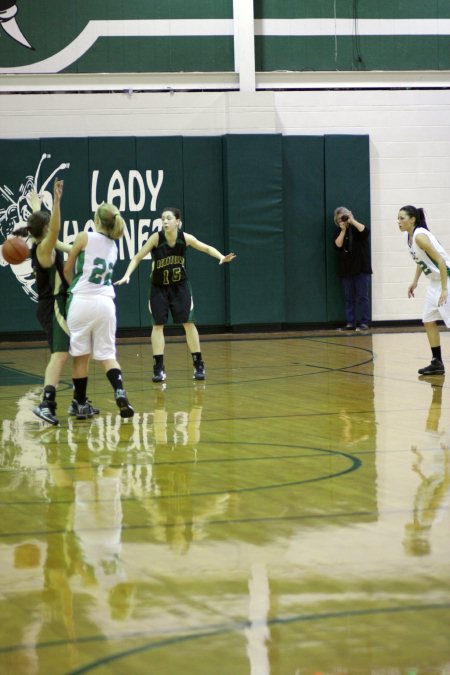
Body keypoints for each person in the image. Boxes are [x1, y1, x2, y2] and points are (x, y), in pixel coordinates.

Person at [115, 206, 236, 382]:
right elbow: (137, 257)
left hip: (180, 287)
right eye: (162, 218)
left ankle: (198, 364)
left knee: (188, 323)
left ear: (178, 221)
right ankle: (158, 367)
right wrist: (127, 275)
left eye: (169, 218)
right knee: (157, 326)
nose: (165, 221)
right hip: (159, 287)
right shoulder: (156, 238)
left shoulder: (185, 238)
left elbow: (206, 248)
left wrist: (220, 256)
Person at [14, 180, 98, 426]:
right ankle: (46, 404)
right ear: (46, 229)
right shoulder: (43, 248)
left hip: (64, 304)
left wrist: (37, 206)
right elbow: (55, 232)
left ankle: (79, 401)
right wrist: (57, 201)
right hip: (53, 306)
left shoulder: (45, 242)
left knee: (80, 351)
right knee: (60, 354)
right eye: (49, 223)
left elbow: (66, 245)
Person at [63, 203, 134, 419]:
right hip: (105, 303)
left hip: (82, 300)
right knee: (107, 354)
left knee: (81, 358)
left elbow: (68, 269)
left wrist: (72, 287)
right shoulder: (114, 247)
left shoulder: (85, 236)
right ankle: (120, 392)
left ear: (97, 219)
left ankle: (81, 403)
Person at [398, 204, 450, 375]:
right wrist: (415, 281)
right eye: (398, 218)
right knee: (428, 319)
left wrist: (444, 289)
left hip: (446, 279)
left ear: (412, 219)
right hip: (435, 281)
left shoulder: (420, 236)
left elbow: (441, 262)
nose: (398, 222)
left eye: (402, 218)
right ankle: (437, 362)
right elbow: (422, 260)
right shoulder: (409, 236)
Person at [334, 206, 372, 331]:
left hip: (361, 268)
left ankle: (364, 322)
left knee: (362, 296)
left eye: (344, 217)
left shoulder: (357, 228)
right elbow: (338, 245)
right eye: (339, 218)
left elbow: (366, 232)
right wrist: (343, 230)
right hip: (346, 269)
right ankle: (350, 323)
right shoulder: (339, 231)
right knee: (349, 298)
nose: (342, 220)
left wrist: (352, 221)